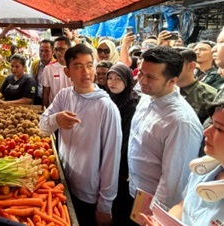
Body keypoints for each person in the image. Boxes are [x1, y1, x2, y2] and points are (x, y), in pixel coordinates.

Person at [39, 44, 122, 226]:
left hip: (89, 195)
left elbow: (111, 159)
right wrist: (56, 120)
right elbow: (42, 127)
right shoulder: (64, 96)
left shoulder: (105, 108)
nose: (86, 72)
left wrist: (105, 205)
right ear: (67, 72)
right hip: (64, 183)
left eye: (90, 65)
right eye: (78, 66)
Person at [128, 46, 203, 216]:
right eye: (141, 73)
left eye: (151, 77)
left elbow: (174, 182)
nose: (142, 81)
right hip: (135, 192)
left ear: (172, 81)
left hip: (153, 207)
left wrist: (154, 215)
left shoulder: (180, 122)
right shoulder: (148, 96)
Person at [141, 100, 224, 226]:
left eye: (218, 128)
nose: (206, 132)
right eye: (211, 123)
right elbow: (182, 206)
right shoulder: (202, 170)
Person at [106, 63, 139, 226]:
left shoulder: (131, 104)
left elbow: (126, 139)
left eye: (118, 78)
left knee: (120, 204)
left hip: (122, 165)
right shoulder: (107, 98)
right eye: (110, 78)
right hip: (109, 157)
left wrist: (115, 163)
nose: (113, 82)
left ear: (127, 80)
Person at [173, 47, 217, 123]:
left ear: (191, 66)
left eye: (174, 65)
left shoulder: (209, 96)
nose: (167, 69)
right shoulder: (160, 88)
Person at [42, 36, 73, 108]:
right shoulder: (48, 68)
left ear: (69, 50)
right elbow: (45, 93)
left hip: (72, 108)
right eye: (56, 49)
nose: (59, 52)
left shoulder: (75, 68)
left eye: (62, 49)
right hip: (54, 110)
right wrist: (44, 111)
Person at [30, 39, 55, 105]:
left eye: (47, 51)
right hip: (37, 99)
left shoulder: (56, 66)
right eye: (41, 50)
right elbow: (32, 83)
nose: (43, 53)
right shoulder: (34, 65)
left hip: (52, 101)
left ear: (53, 52)